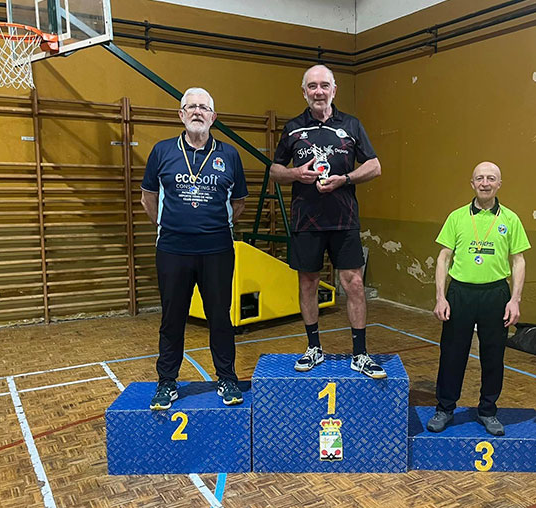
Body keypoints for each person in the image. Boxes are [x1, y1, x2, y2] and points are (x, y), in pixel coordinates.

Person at [270, 64, 386, 379]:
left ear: (334, 90)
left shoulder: (351, 125)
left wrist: (344, 178)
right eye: (312, 86)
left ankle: (360, 354)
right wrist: (296, 174)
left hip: (344, 220)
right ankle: (313, 348)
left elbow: (374, 166)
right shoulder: (293, 128)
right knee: (308, 282)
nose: (319, 92)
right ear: (304, 92)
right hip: (305, 221)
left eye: (324, 86)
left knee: (354, 284)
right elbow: (274, 170)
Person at [141, 87, 248, 410]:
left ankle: (227, 378)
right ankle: (167, 382)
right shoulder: (162, 152)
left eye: (204, 107)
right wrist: (171, 225)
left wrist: (212, 225)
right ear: (181, 115)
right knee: (172, 318)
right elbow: (148, 198)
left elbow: (239, 202)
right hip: (172, 249)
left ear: (213, 117)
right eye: (191, 107)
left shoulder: (228, 155)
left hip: (217, 249)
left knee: (220, 317)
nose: (198, 112)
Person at [427, 161, 530, 435]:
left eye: (491, 178)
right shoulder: (457, 217)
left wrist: (515, 299)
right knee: (452, 353)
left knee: (493, 356)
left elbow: (518, 261)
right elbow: (443, 258)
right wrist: (440, 296)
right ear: (472, 183)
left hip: (496, 294)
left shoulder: (510, 219)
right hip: (460, 293)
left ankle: (488, 410)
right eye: (480, 178)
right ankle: (445, 408)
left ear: (499, 184)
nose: (485, 183)